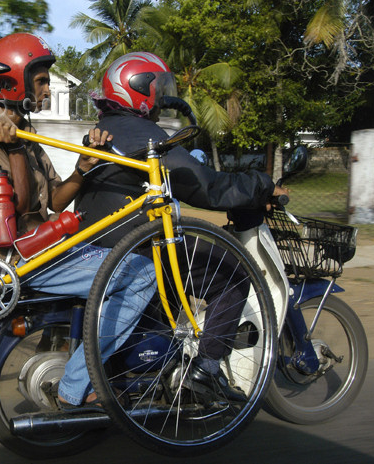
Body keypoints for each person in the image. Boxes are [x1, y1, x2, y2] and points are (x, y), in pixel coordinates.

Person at [75, 51, 289, 401]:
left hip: (105, 240)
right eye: (157, 88)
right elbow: (206, 187)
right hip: (138, 246)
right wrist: (263, 185)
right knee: (233, 271)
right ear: (138, 89)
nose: (161, 97)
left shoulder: (108, 128)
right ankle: (205, 370)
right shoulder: (142, 134)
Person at [0, 33, 149, 407]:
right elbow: (13, 213)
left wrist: (83, 168)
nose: (45, 90)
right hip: (22, 262)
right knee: (142, 274)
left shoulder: (26, 138)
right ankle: (77, 385)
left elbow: (56, 202)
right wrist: (9, 145)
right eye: (40, 81)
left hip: (41, 250)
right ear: (15, 82)